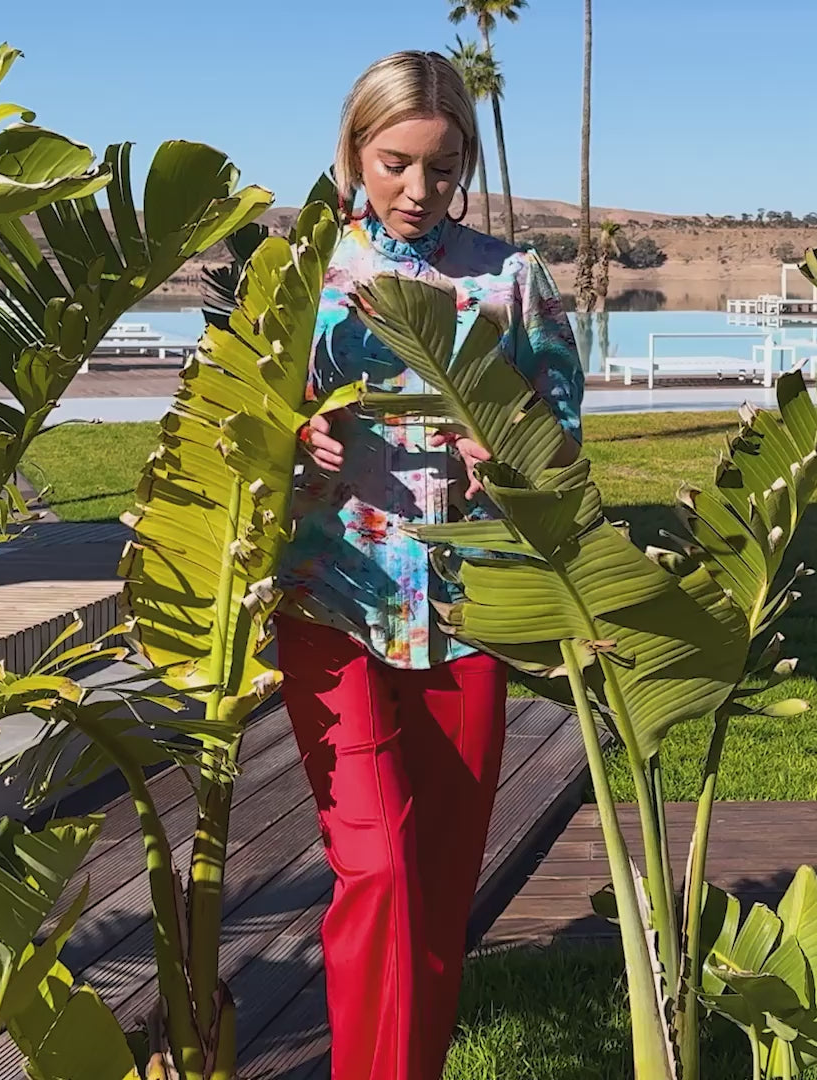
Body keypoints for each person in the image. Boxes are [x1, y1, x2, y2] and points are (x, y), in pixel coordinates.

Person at [274, 49, 584, 1080]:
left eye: (443, 168)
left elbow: (563, 432)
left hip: (468, 610)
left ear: (466, 166)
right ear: (354, 151)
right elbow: (237, 418)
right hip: (334, 602)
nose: (418, 189)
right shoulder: (306, 278)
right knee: (378, 869)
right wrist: (297, 429)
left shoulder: (510, 279)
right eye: (395, 163)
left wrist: (516, 446)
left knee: (441, 887)